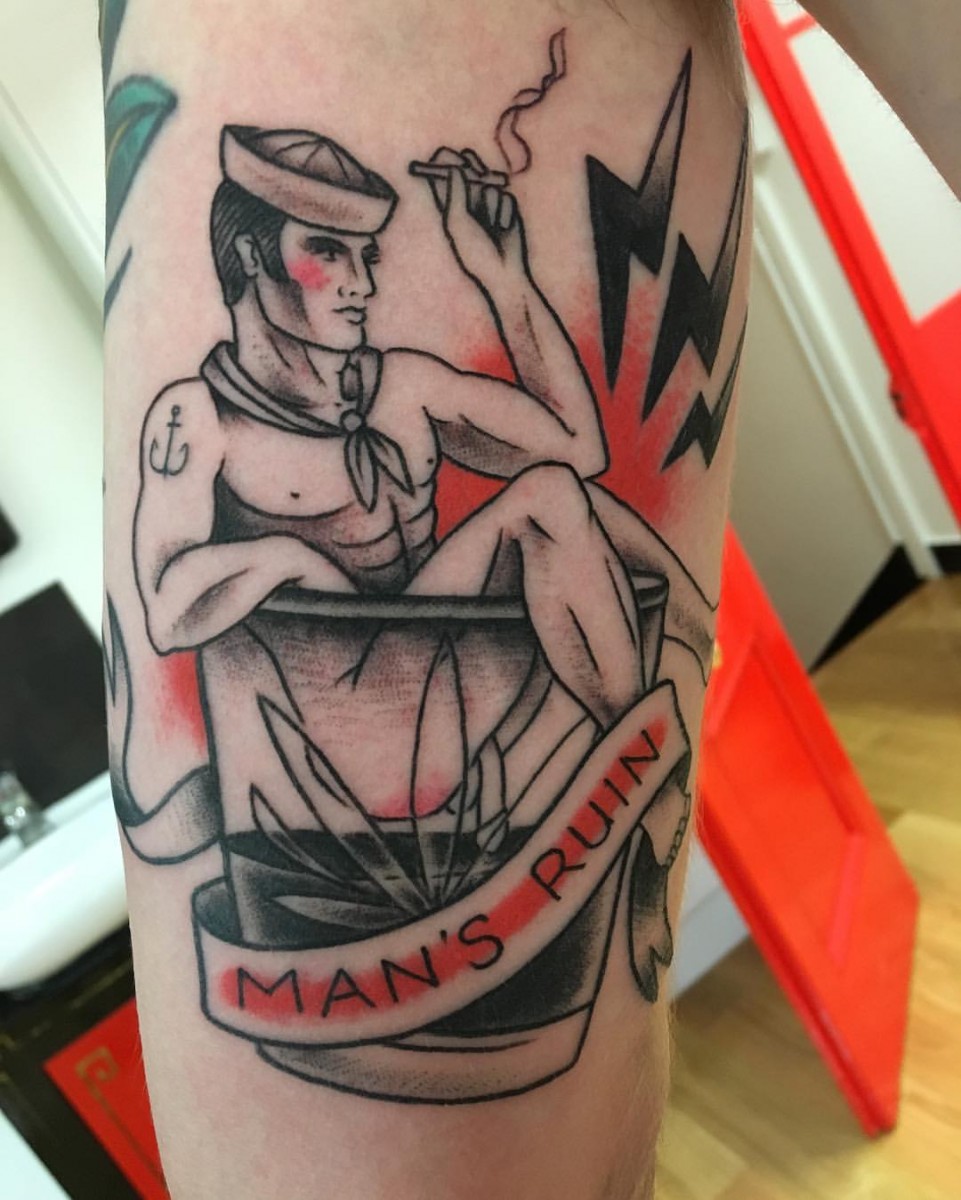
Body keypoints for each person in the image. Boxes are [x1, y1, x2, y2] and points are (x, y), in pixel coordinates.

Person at [102, 0, 955, 1196]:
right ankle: (644, 766)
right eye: (329, 253)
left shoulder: (397, 389)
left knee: (554, 500)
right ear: (248, 259)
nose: (361, 283)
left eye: (367, 256)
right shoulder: (201, 423)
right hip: (323, 735)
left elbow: (572, 446)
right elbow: (166, 600)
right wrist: (291, 565)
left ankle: (642, 777)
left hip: (434, 687)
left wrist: (503, 278)